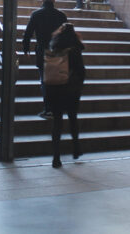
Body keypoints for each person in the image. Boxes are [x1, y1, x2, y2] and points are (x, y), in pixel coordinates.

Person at [44, 23, 85, 168]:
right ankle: (75, 147)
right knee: (72, 117)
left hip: (54, 88)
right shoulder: (75, 49)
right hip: (71, 89)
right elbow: (81, 71)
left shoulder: (54, 46)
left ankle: (56, 157)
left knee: (57, 122)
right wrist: (79, 84)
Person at [22, 0, 68, 119]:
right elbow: (66, 34)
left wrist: (26, 49)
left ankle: (48, 109)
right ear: (54, 0)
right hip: (58, 52)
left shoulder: (36, 14)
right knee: (57, 81)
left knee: (44, 80)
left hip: (42, 51)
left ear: (42, 0)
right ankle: (57, 108)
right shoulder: (61, 15)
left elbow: (28, 33)